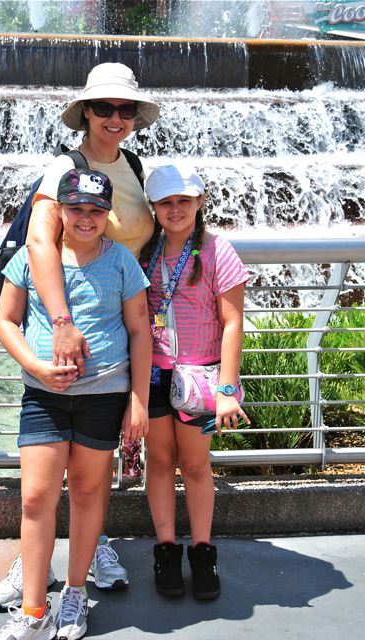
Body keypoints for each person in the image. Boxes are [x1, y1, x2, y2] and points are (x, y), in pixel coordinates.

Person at [0, 61, 160, 610]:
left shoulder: (133, 167)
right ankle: (32, 564)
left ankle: (90, 553)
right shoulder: (64, 168)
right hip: (63, 330)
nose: (115, 117)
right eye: (104, 107)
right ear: (85, 111)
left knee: (90, 478)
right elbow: (41, 244)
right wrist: (61, 324)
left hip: (116, 319)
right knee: (41, 488)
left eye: (125, 109)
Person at [140, 164, 250, 600]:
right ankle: (166, 550)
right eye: (166, 202)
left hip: (201, 378)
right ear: (153, 207)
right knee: (159, 460)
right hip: (154, 373)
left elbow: (233, 321)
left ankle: (203, 552)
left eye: (184, 200)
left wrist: (227, 390)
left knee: (196, 465)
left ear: (200, 201)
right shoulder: (145, 254)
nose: (175, 209)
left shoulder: (218, 251)